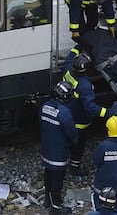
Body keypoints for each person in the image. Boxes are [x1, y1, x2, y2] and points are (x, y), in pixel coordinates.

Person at [64, 53, 108, 175]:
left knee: (66, 142)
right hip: (80, 122)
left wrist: (77, 47)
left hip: (67, 115)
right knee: (78, 146)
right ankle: (74, 167)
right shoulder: (85, 86)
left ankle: (63, 162)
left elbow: (69, 57)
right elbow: (91, 108)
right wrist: (108, 112)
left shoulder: (67, 70)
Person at [40, 81, 77, 215]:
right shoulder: (64, 112)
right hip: (59, 151)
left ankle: (47, 199)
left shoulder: (44, 106)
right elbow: (72, 133)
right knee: (57, 178)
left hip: (47, 148)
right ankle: (56, 206)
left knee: (48, 173)